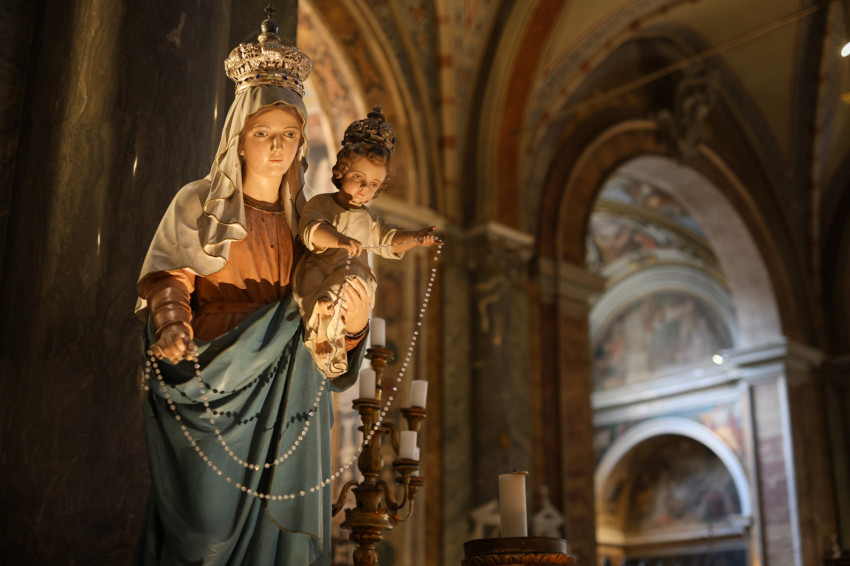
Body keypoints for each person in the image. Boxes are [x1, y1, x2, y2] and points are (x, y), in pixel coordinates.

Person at [133, 12, 369, 566]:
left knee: (276, 539)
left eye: (289, 135)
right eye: (263, 133)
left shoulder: (308, 224)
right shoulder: (199, 203)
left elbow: (324, 320)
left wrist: (353, 326)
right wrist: (172, 324)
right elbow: (169, 276)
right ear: (239, 139)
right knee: (205, 535)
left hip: (289, 387)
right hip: (214, 374)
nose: (277, 146)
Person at [293, 105, 437, 377]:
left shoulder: (369, 220)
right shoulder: (321, 203)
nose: (363, 189)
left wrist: (416, 238)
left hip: (352, 277)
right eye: (358, 177)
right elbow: (312, 230)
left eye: (373, 184)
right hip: (320, 268)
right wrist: (340, 240)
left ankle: (330, 342)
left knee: (348, 290)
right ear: (342, 171)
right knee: (314, 287)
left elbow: (389, 240)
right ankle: (321, 335)